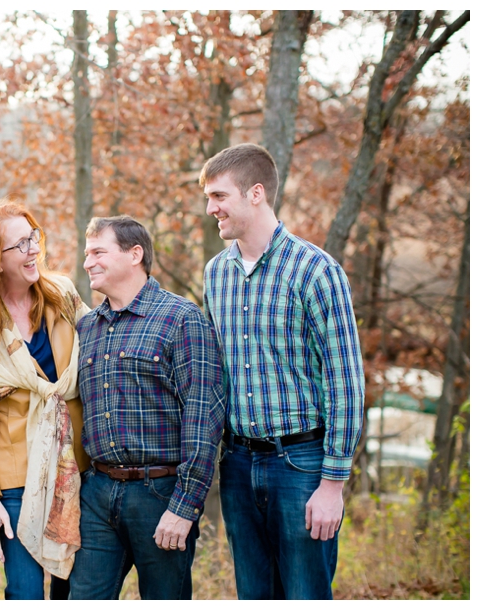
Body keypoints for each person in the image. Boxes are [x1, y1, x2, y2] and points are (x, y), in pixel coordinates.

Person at [200, 143, 365, 600]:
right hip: (236, 465)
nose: (210, 208)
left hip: (302, 466)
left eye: (218, 196)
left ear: (256, 193)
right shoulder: (217, 274)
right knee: (254, 595)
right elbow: (215, 376)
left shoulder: (316, 270)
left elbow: (345, 383)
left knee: (305, 594)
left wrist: (332, 483)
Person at [0, 199, 91, 600]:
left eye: (33, 236)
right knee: (24, 593)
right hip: (15, 482)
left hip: (76, 468)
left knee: (75, 591)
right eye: (20, 244)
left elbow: (96, 358)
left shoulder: (61, 295)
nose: (34, 249)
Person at [70, 216, 226, 600]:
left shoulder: (182, 320)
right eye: (86, 253)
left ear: (134, 254)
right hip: (97, 493)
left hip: (160, 494)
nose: (87, 262)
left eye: (98, 252)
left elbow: (204, 420)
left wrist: (185, 506)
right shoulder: (86, 327)